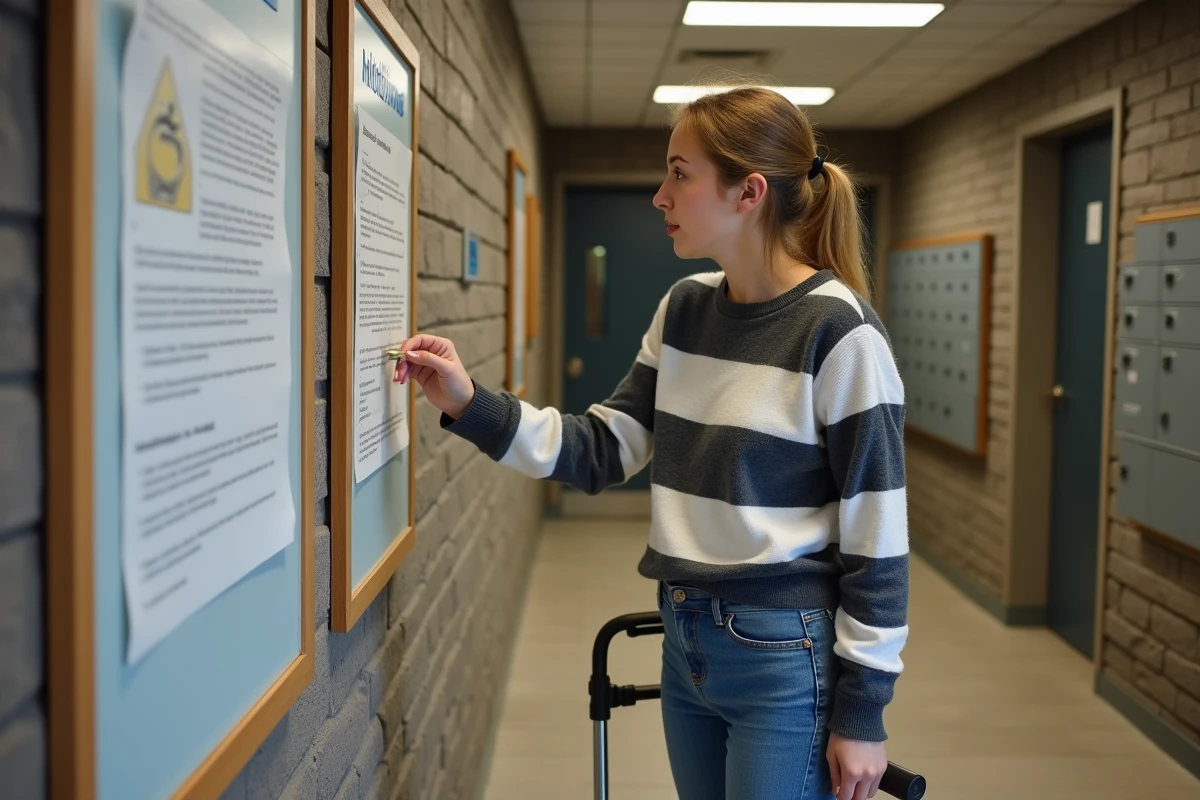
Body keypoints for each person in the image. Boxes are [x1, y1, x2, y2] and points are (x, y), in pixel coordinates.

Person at [394, 86, 909, 800]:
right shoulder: (685, 308)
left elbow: (877, 541)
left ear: (747, 192)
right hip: (686, 640)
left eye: (679, 173)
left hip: (782, 657)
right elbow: (603, 448)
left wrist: (864, 713)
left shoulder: (840, 335)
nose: (660, 196)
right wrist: (466, 401)